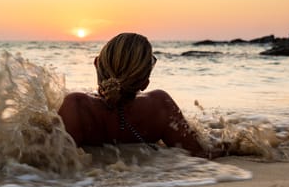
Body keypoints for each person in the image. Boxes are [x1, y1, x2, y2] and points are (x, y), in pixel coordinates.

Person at [58, 33, 224, 159]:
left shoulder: (77, 106)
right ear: (145, 82)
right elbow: (198, 154)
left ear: (96, 64)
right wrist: (230, 145)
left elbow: (55, 159)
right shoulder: (160, 105)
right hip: (146, 174)